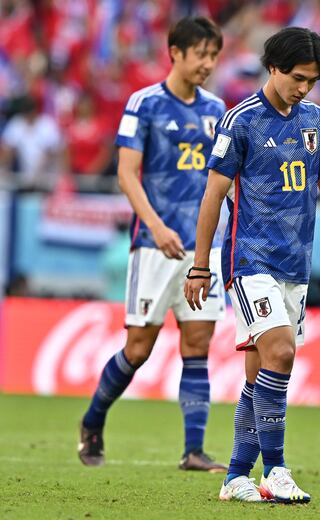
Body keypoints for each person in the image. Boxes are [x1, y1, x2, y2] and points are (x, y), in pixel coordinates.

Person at [184, 27, 320, 504]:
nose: (304, 88)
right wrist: (201, 267)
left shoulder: (317, 121)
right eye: (298, 77)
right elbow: (213, 194)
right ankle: (277, 470)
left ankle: (236, 477)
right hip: (248, 259)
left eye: (313, 80)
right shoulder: (240, 121)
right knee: (280, 353)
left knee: (261, 375)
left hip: (294, 264)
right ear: (273, 67)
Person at [78, 17, 227, 473]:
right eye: (201, 54)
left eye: (214, 56)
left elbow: (221, 176)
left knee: (198, 342)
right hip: (154, 244)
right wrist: (157, 226)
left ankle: (194, 450)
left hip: (203, 247)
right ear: (175, 53)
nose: (208, 64)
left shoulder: (218, 108)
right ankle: (93, 419)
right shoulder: (143, 104)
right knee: (139, 348)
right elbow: (126, 173)